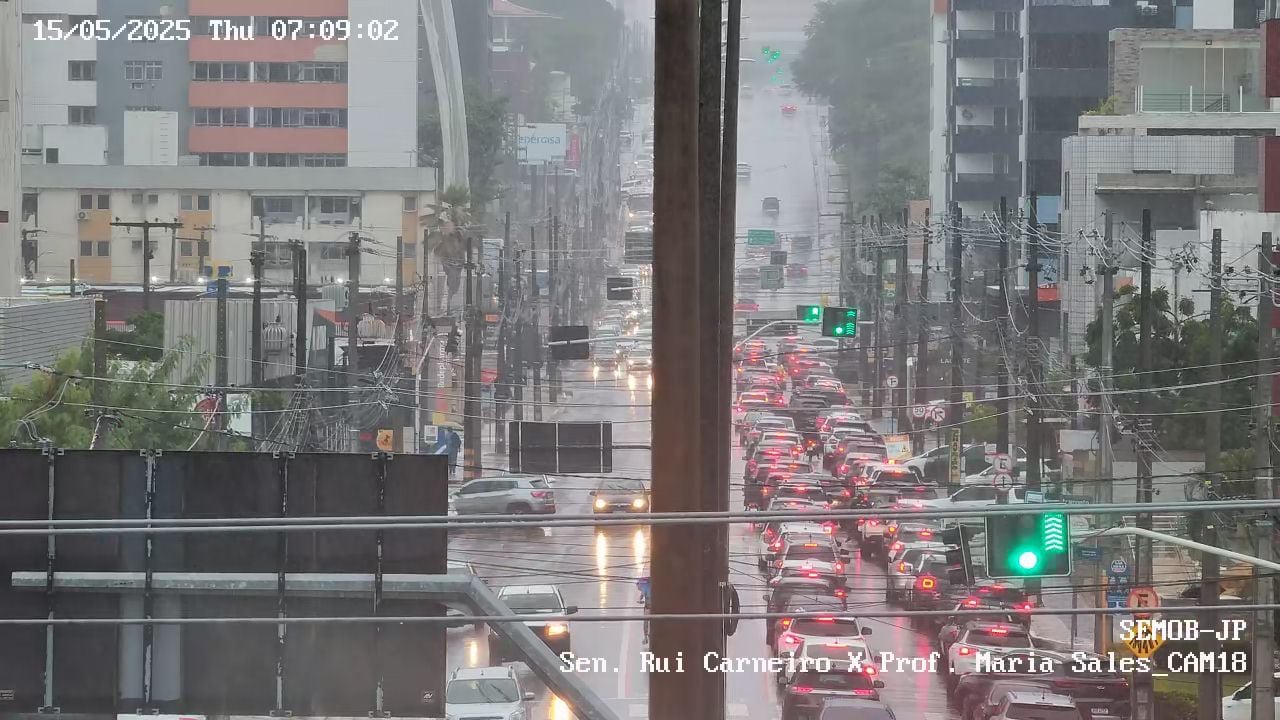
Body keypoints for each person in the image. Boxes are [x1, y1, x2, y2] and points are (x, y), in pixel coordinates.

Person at [636, 576, 651, 643]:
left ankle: (646, 637)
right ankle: (646, 636)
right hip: (648, 607)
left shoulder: (645, 587)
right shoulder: (646, 586)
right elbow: (641, 597)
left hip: (649, 607)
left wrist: (639, 601)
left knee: (646, 622)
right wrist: (639, 600)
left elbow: (641, 597)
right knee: (647, 622)